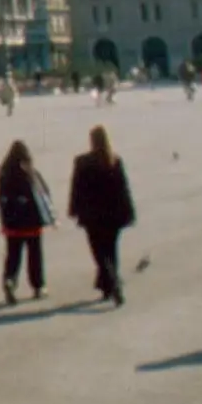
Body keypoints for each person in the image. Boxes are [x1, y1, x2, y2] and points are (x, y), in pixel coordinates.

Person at [69, 125, 137, 305]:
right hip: (114, 216)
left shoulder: (82, 162)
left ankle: (113, 284)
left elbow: (77, 189)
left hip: (92, 216)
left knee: (100, 253)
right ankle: (108, 286)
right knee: (111, 251)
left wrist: (74, 209)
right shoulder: (114, 160)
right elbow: (123, 189)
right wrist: (129, 212)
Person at [0, 140, 54, 303]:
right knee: (34, 255)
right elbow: (43, 194)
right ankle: (38, 286)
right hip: (32, 223)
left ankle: (10, 280)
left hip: (12, 224)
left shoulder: (3, 174)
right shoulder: (31, 173)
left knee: (13, 255)